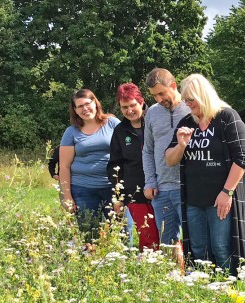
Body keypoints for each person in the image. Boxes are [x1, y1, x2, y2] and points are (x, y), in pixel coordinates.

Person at [165, 73, 245, 274]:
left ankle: (229, 290)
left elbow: (242, 158)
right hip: (194, 199)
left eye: (191, 99)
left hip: (220, 197)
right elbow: (169, 159)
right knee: (198, 250)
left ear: (203, 95)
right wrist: (182, 145)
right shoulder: (187, 122)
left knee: (221, 248)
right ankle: (203, 290)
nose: (187, 104)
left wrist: (226, 192)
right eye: (185, 100)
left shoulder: (227, 117)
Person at [59, 89, 120, 242]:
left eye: (87, 103)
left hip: (113, 188)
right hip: (83, 189)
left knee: (120, 233)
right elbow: (64, 166)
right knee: (89, 235)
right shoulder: (71, 132)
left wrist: (123, 190)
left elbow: (126, 154)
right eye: (79, 106)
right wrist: (67, 197)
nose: (85, 109)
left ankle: (122, 264)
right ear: (75, 110)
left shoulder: (112, 123)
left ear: (95, 103)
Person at [107, 83, 159, 251]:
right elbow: (115, 165)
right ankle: (151, 272)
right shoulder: (120, 131)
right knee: (147, 237)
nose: (129, 110)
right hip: (135, 191)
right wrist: (119, 196)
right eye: (124, 107)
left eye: (132, 105)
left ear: (141, 102)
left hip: (163, 188)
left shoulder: (157, 121)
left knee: (169, 235)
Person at [143, 68, 190, 253]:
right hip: (161, 189)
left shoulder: (191, 107)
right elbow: (147, 150)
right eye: (155, 95)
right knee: (167, 245)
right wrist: (150, 181)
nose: (159, 99)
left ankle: (194, 278)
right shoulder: (152, 113)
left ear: (173, 85)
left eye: (162, 93)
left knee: (192, 240)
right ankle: (173, 280)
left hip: (188, 186)